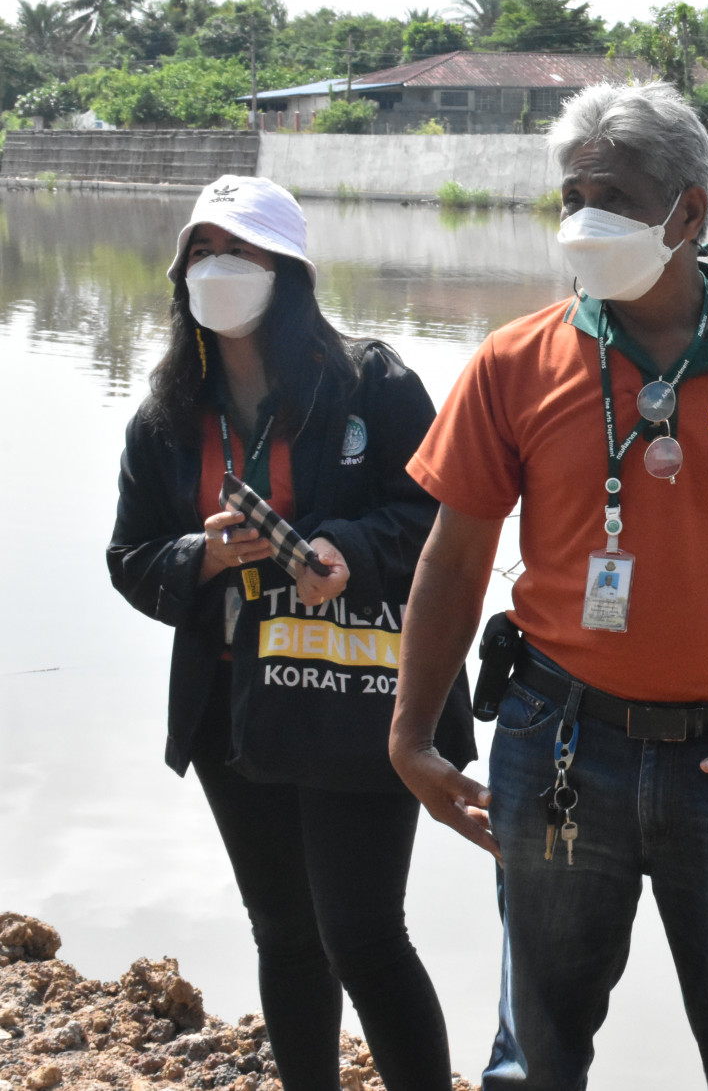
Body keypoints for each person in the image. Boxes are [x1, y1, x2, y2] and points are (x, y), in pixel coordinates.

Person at [387, 81, 708, 1091]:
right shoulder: (513, 363)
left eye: (615, 196)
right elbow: (453, 559)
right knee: (532, 1054)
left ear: (691, 211)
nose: (586, 220)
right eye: (572, 194)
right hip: (560, 745)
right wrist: (413, 735)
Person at [107, 175, 469, 1091]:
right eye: (201, 250)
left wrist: (345, 547)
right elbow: (130, 555)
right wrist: (203, 556)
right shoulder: (164, 417)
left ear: (290, 272)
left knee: (363, 934)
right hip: (235, 710)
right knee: (284, 932)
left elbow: (439, 519)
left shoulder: (372, 383)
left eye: (242, 251)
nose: (217, 268)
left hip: (356, 698)